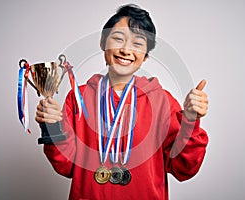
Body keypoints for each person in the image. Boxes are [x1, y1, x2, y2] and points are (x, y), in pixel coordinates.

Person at [35, 4, 209, 200]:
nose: (126, 50)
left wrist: (191, 122)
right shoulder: (78, 98)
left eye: (137, 43)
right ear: (103, 43)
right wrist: (52, 127)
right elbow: (66, 166)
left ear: (145, 56)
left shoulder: (162, 102)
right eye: (118, 39)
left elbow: (183, 169)